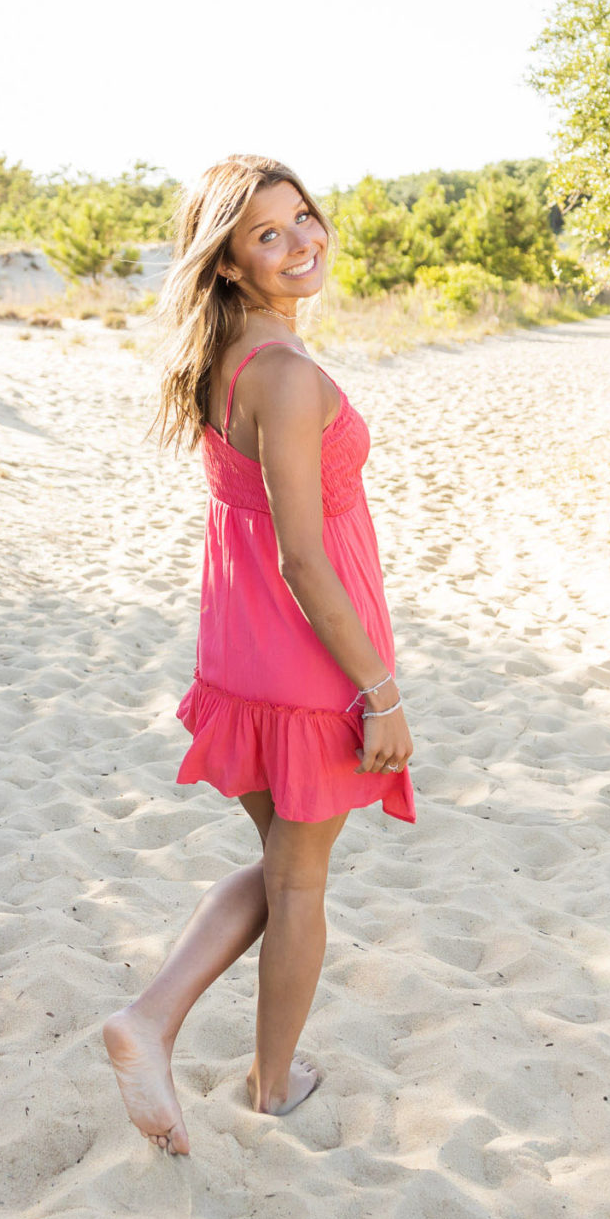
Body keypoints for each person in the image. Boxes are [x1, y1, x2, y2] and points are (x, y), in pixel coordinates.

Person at [102, 153, 415, 1155]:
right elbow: (300, 554)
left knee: (286, 861)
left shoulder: (223, 355)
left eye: (304, 218)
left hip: (239, 652)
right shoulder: (281, 373)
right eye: (267, 235)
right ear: (229, 263)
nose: (300, 243)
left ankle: (159, 1025)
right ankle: (258, 1079)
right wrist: (379, 686)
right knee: (301, 883)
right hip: (302, 662)